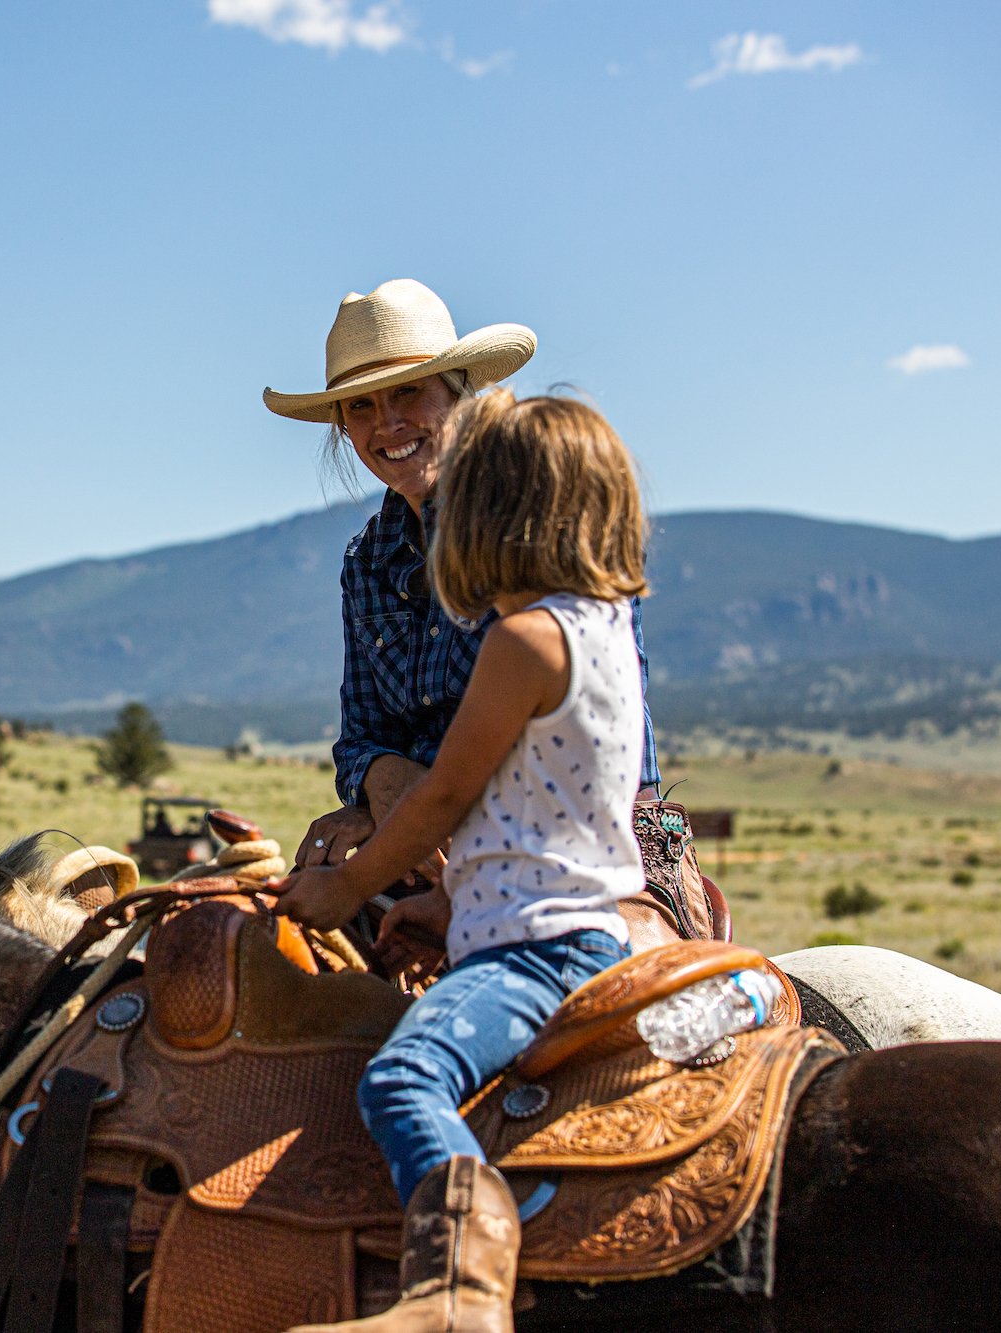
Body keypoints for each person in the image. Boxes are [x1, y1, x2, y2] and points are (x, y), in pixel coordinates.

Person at [271, 393, 651, 1332]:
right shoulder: (595, 627)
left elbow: (447, 795)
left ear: (496, 514)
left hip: (538, 949)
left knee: (400, 1081)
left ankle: (457, 1296)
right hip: (556, 914)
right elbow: (545, 816)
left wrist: (347, 884)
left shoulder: (523, 641)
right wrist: (446, 905)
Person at [263, 280, 658, 899]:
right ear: (342, 425)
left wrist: (423, 806)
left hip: (571, 837)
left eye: (407, 392)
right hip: (426, 827)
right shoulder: (368, 560)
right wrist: (386, 785)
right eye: (360, 406)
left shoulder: (537, 519)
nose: (386, 423)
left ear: (458, 391)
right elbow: (361, 736)